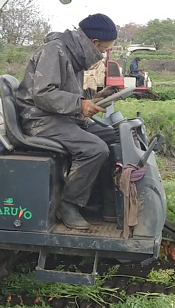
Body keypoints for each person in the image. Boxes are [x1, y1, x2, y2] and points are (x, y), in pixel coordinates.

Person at [14, 13, 119, 230]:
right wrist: (80, 105)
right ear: (94, 42)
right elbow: (43, 94)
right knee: (95, 149)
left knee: (115, 137)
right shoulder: (55, 51)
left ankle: (106, 201)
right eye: (102, 50)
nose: (102, 55)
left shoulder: (74, 54)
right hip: (42, 120)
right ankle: (68, 204)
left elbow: (69, 91)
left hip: (63, 116)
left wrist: (96, 97)